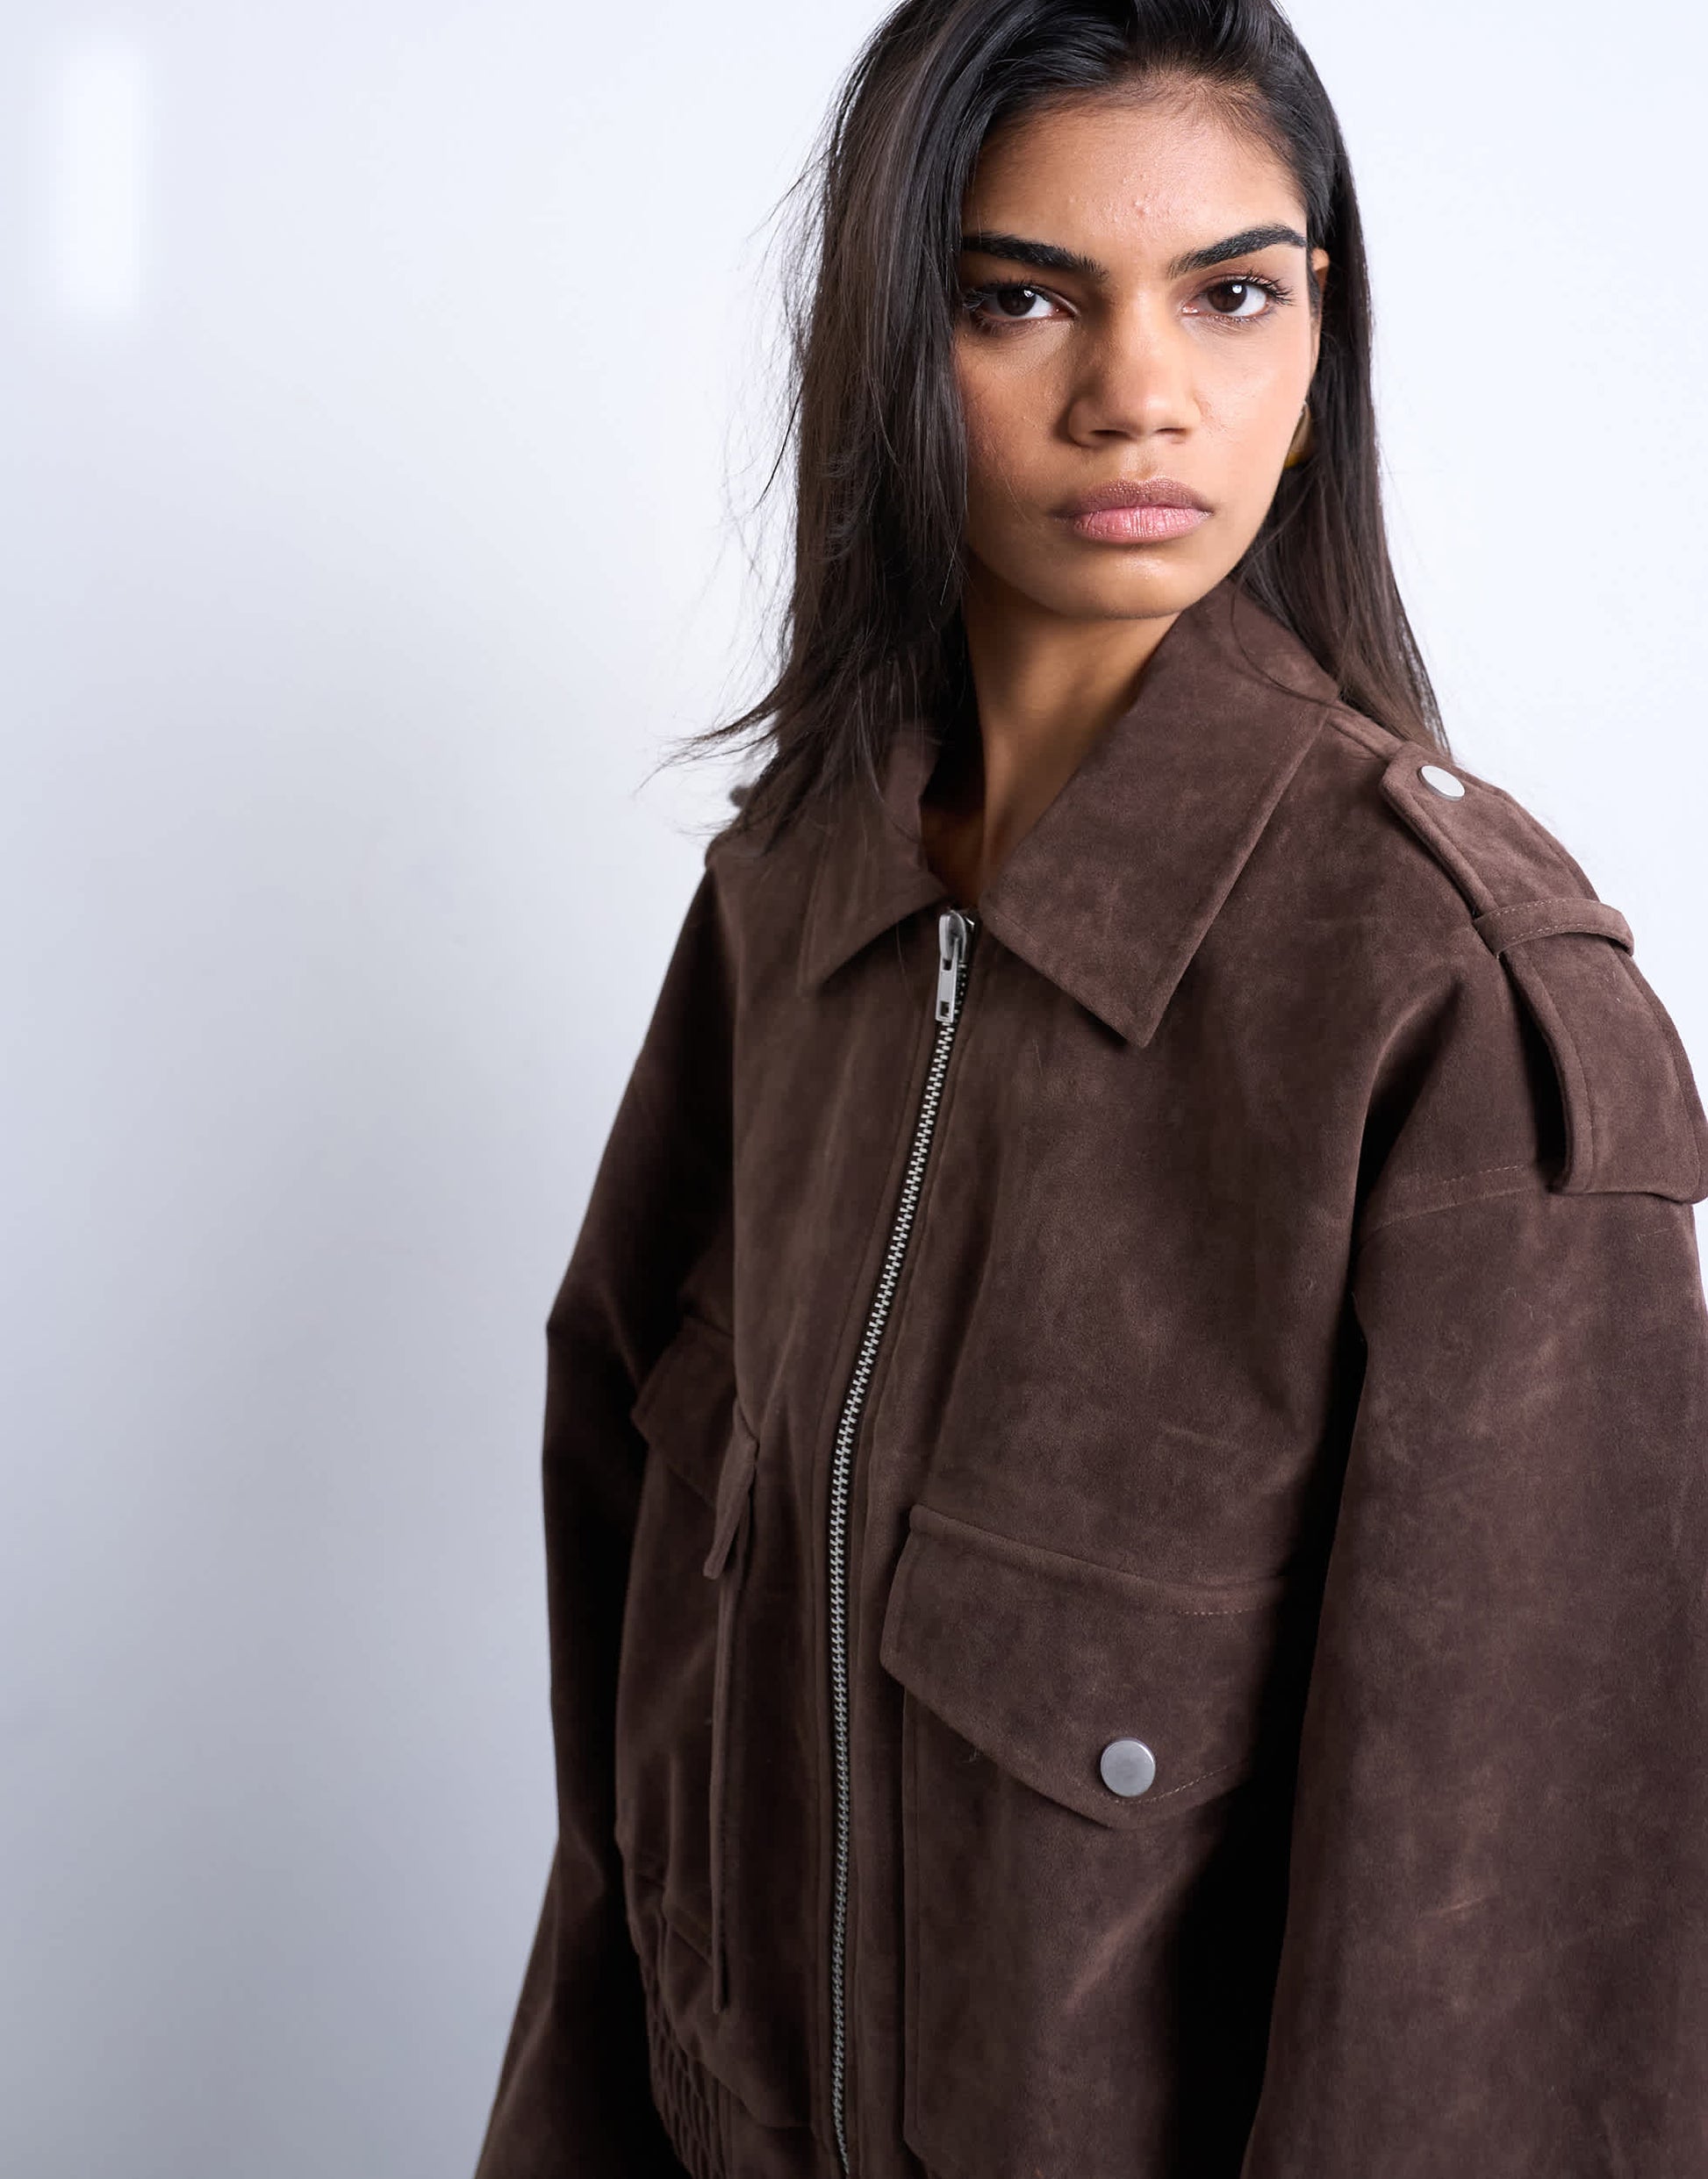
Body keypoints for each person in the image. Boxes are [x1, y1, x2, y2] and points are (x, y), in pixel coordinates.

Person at [471, 3, 1708, 2175]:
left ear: (1320, 342)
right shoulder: (785, 905)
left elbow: (1503, 2021)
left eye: (1230, 293)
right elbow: (623, 1792)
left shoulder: (1453, 1003)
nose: (1140, 391)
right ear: (889, 348)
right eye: (1019, 298)